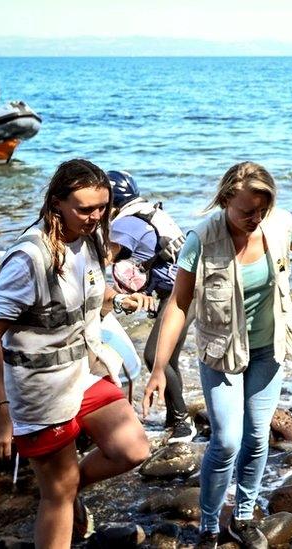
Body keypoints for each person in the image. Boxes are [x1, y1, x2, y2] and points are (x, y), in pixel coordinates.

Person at [0, 159, 154, 548]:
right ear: (57, 202)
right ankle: (61, 494)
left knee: (133, 448)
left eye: (102, 207)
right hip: (40, 391)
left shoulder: (90, 238)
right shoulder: (29, 258)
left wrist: (120, 300)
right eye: (85, 208)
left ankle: (68, 485)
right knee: (57, 494)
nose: (95, 217)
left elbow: (85, 294)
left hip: (83, 371)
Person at [143, 161, 292, 549]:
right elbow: (178, 306)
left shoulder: (279, 226)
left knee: (258, 437)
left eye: (261, 210)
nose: (255, 218)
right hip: (221, 353)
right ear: (227, 199)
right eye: (247, 210)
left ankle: (244, 516)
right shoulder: (201, 240)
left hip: (269, 348)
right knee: (227, 440)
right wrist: (160, 367)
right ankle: (209, 524)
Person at [106, 170, 195, 443]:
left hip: (180, 295)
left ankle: (183, 423)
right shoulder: (147, 212)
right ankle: (174, 416)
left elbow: (105, 256)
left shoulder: (123, 225)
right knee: (168, 355)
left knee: (155, 356)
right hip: (191, 287)